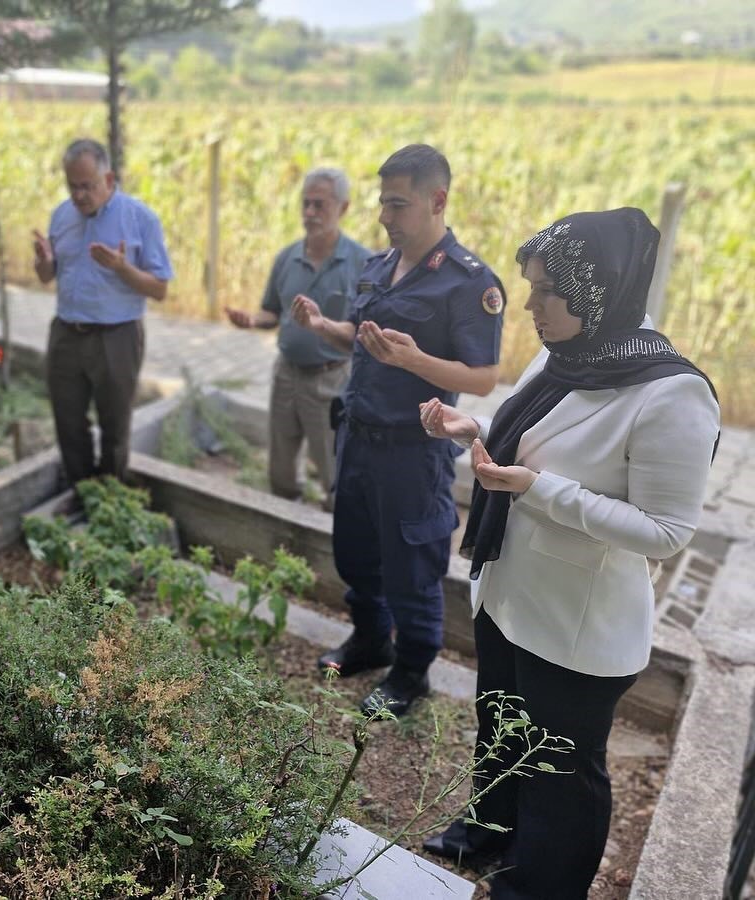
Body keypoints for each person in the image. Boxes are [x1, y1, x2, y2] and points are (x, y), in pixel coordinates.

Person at [420, 208, 719, 899]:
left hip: (574, 623)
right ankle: (486, 834)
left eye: (544, 291)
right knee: (498, 725)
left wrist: (537, 489)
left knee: (560, 771)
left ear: (596, 290)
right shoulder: (569, 348)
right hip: (509, 591)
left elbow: (667, 531)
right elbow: (534, 431)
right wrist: (477, 426)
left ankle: (541, 887)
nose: (527, 306)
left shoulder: (669, 392)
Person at [291, 144, 505, 716]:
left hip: (413, 453)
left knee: (412, 567)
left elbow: (484, 377)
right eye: (383, 203)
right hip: (358, 438)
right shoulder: (379, 267)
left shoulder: (468, 283)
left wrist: (416, 363)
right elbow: (365, 336)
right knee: (356, 553)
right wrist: (323, 325)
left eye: (397, 204)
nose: (384, 215)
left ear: (437, 200)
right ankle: (369, 640)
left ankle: (411, 672)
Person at [225, 168, 371, 511]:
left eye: (319, 205)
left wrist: (321, 325)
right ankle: (284, 523)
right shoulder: (286, 258)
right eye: (305, 204)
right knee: (280, 467)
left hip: (330, 378)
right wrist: (252, 320)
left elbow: (365, 332)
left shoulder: (363, 263)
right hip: (285, 375)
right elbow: (271, 313)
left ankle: (331, 531)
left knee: (332, 468)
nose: (310, 213)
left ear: (343, 207)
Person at [32, 139, 173, 485]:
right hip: (66, 333)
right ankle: (81, 489)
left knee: (114, 425)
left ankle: (110, 494)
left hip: (117, 337)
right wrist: (45, 263)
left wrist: (123, 268)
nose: (79, 195)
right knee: (67, 420)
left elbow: (160, 289)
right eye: (73, 186)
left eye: (88, 186)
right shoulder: (62, 216)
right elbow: (48, 277)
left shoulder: (140, 219)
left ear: (108, 180)